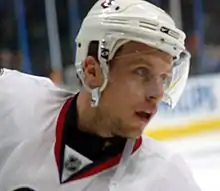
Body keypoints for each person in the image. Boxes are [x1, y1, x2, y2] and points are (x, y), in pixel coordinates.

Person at [0, 0, 200, 190]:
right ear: (92, 71)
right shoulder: (12, 100)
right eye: (141, 72)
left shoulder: (167, 179)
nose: (157, 93)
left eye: (164, 78)